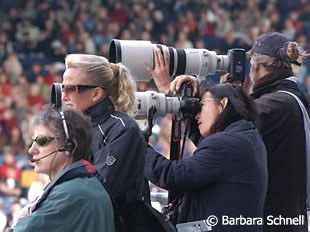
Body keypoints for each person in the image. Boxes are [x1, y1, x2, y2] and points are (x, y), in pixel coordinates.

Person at [144, 82, 268, 232]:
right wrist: (189, 98)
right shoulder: (246, 136)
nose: (196, 115)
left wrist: (138, 146)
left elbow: (172, 175)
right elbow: (205, 144)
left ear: (223, 104)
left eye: (201, 105)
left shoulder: (226, 145)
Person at [61, 54, 149, 216]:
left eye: (71, 88)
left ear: (96, 94)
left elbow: (97, 190)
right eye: (62, 87)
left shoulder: (122, 128)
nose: (64, 96)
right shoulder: (70, 129)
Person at [9, 107, 115, 232]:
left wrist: (18, 221)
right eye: (33, 141)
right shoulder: (84, 183)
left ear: (69, 146)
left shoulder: (69, 194)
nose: (31, 150)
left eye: (41, 141)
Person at [247, 32, 309, 232]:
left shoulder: (273, 105)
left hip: (273, 218)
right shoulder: (291, 98)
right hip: (291, 216)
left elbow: (219, 145)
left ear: (256, 65)